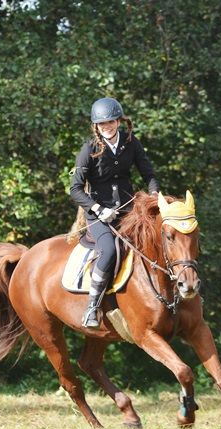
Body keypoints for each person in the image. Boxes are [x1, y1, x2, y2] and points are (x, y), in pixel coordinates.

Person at [69, 97, 161, 328]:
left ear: (118, 121)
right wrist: (99, 209)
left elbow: (148, 174)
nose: (107, 127)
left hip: (128, 210)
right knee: (109, 250)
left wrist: (154, 196)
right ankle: (92, 306)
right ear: (96, 127)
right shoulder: (89, 148)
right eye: (102, 124)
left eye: (110, 122)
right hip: (98, 213)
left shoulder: (131, 142)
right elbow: (75, 189)